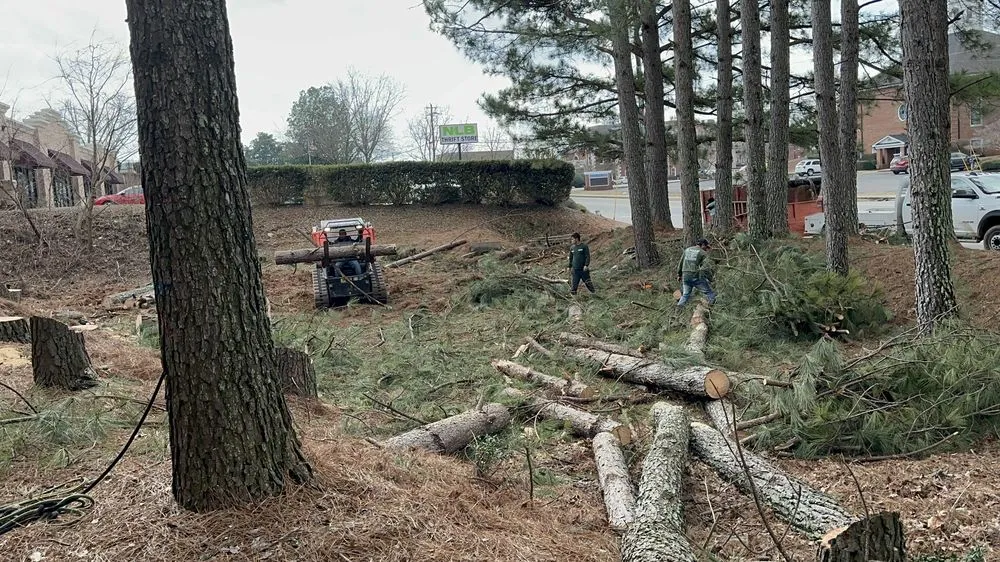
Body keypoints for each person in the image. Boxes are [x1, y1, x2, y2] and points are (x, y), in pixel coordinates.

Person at [676, 238, 716, 306]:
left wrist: (679, 275)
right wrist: (711, 279)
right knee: (710, 293)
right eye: (706, 247)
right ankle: (711, 308)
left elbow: (681, 263)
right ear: (703, 245)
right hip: (696, 276)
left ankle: (677, 312)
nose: (706, 249)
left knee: (685, 295)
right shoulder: (703, 253)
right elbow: (706, 268)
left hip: (685, 276)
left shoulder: (687, 250)